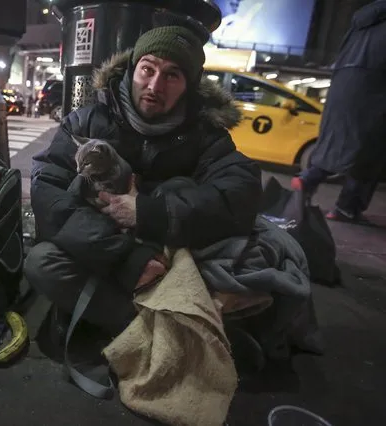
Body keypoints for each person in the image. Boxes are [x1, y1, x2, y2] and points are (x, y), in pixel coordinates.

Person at [24, 25, 262, 336]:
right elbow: (49, 192)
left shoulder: (205, 135)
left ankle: (169, 323)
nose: (154, 85)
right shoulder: (88, 121)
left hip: (168, 257)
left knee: (182, 192)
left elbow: (241, 191)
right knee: (42, 263)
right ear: (132, 69)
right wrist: (128, 257)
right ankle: (154, 327)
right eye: (147, 69)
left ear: (188, 85)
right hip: (105, 252)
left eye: (172, 76)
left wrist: (148, 212)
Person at [292, 0, 386, 225]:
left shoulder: (363, 22)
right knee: (370, 149)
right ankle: (346, 207)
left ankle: (308, 178)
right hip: (376, 89)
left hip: (343, 83)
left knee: (338, 141)